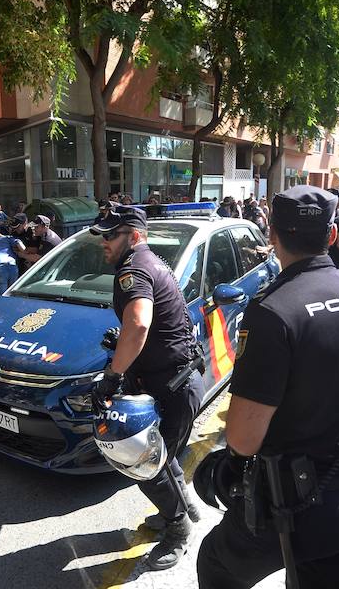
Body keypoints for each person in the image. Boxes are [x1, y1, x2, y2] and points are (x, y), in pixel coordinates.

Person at [196, 185, 339, 589]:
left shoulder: (273, 311)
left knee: (217, 564)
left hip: (303, 506)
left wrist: (226, 468)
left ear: (272, 235)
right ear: (330, 235)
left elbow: (243, 437)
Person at [89, 206, 203, 571]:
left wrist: (111, 375)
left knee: (144, 464)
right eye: (102, 235)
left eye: (111, 235)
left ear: (134, 236)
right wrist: (121, 343)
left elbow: (139, 325)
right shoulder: (150, 261)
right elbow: (145, 328)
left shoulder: (134, 268)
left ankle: (178, 529)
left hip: (172, 384)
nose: (104, 242)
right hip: (174, 381)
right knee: (163, 458)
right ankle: (183, 506)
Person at [0, 228, 25, 295]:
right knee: (13, 292)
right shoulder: (8, 238)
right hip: (13, 265)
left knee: (2, 294)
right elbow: (20, 245)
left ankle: (3, 305)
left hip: (0, 267)